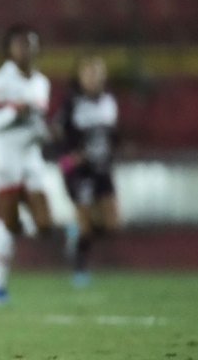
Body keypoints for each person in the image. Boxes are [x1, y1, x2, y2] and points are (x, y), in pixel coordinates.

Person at [0, 24, 53, 304]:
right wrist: (11, 112)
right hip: (2, 159)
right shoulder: (1, 81)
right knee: (11, 225)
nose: (26, 50)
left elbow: (36, 122)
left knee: (44, 225)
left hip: (30, 157)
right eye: (20, 44)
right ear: (10, 49)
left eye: (31, 44)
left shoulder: (41, 82)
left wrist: (46, 133)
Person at [51, 53, 120, 287]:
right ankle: (80, 268)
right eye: (88, 73)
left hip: (102, 167)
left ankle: (76, 235)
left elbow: (111, 134)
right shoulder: (72, 102)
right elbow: (56, 131)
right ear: (80, 77)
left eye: (96, 72)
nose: (93, 77)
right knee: (86, 222)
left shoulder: (109, 101)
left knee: (111, 223)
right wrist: (69, 156)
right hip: (79, 170)